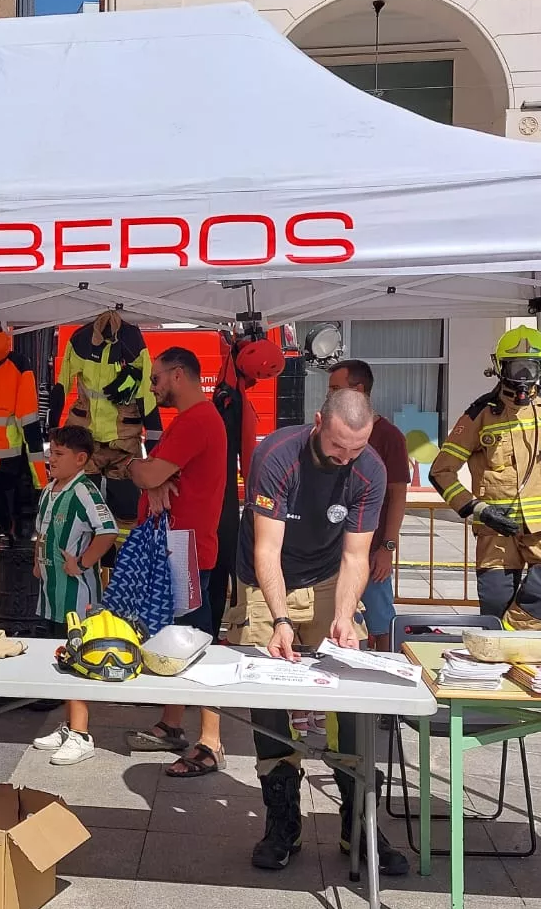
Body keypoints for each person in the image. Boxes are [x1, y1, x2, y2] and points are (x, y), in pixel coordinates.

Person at [224, 387, 409, 877]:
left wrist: (345, 615)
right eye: (337, 447)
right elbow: (267, 549)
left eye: (356, 448)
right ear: (318, 422)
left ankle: (359, 820)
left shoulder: (370, 469)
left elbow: (356, 556)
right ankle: (282, 821)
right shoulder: (276, 457)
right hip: (267, 575)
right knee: (267, 693)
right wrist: (281, 620)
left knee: (350, 692)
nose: (346, 458)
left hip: (329, 575)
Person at [429, 326, 541, 631]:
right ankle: (497, 651)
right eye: (517, 367)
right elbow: (441, 471)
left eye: (531, 367)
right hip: (496, 532)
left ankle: (514, 647)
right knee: (494, 606)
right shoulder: (479, 415)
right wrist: (478, 509)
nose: (524, 376)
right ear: (500, 367)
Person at [123, 347, 229, 777]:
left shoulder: (196, 420)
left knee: (196, 643)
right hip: (180, 546)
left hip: (186, 550)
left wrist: (140, 470)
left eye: (156, 378)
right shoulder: (192, 419)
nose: (152, 387)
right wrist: (152, 479)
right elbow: (158, 475)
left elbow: (149, 472)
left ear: (178, 375)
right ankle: (172, 723)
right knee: (175, 638)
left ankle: (211, 741)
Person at [30, 426, 120, 766]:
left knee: (78, 659)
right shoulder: (49, 490)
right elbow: (42, 532)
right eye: (50, 452)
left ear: (80, 459)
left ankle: (81, 734)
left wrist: (81, 562)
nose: (50, 459)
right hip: (51, 594)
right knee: (62, 659)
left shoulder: (84, 491)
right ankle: (69, 726)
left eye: (59, 454)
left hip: (76, 596)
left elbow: (107, 531)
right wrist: (38, 561)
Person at [328, 361, 409, 650]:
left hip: (371, 550)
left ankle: (388, 666)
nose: (329, 395)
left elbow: (398, 495)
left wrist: (387, 547)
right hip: (332, 548)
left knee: (380, 621)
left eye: (335, 388)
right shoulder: (328, 431)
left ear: (358, 390)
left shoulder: (388, 436)